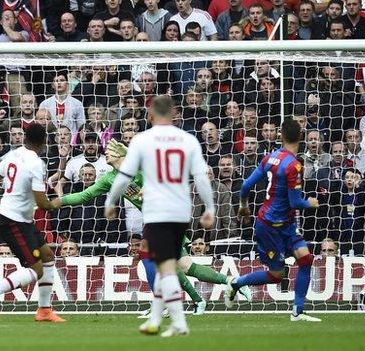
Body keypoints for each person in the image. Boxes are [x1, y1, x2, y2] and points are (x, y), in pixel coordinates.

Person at [51, 138, 250, 317]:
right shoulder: (110, 178)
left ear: (119, 154)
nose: (105, 154)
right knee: (186, 266)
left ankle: (167, 302)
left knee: (150, 258)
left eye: (109, 151)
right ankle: (230, 283)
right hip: (155, 220)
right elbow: (84, 196)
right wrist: (55, 202)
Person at [104, 96, 215, 337]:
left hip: (156, 210)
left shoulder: (143, 140)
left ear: (151, 115)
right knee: (167, 264)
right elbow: (201, 177)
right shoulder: (188, 140)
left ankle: (177, 322)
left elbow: (124, 176)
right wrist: (209, 208)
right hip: (181, 210)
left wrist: (111, 201)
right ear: (174, 114)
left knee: (165, 267)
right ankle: (159, 318)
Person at [226, 118, 321, 322]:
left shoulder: (270, 158)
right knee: (276, 275)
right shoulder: (294, 166)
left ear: (281, 136)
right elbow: (296, 203)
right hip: (270, 227)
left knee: (305, 259)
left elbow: (245, 186)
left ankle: (297, 311)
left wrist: (243, 206)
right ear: (301, 137)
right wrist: (310, 203)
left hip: (285, 224)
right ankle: (236, 283)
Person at [0, 123, 65, 323]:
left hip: (18, 218)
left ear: (25, 138)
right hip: (14, 221)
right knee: (36, 269)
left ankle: (44, 311)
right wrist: (58, 202)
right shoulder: (36, 164)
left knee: (48, 256)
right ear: (44, 142)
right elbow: (42, 203)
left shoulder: (13, 154)